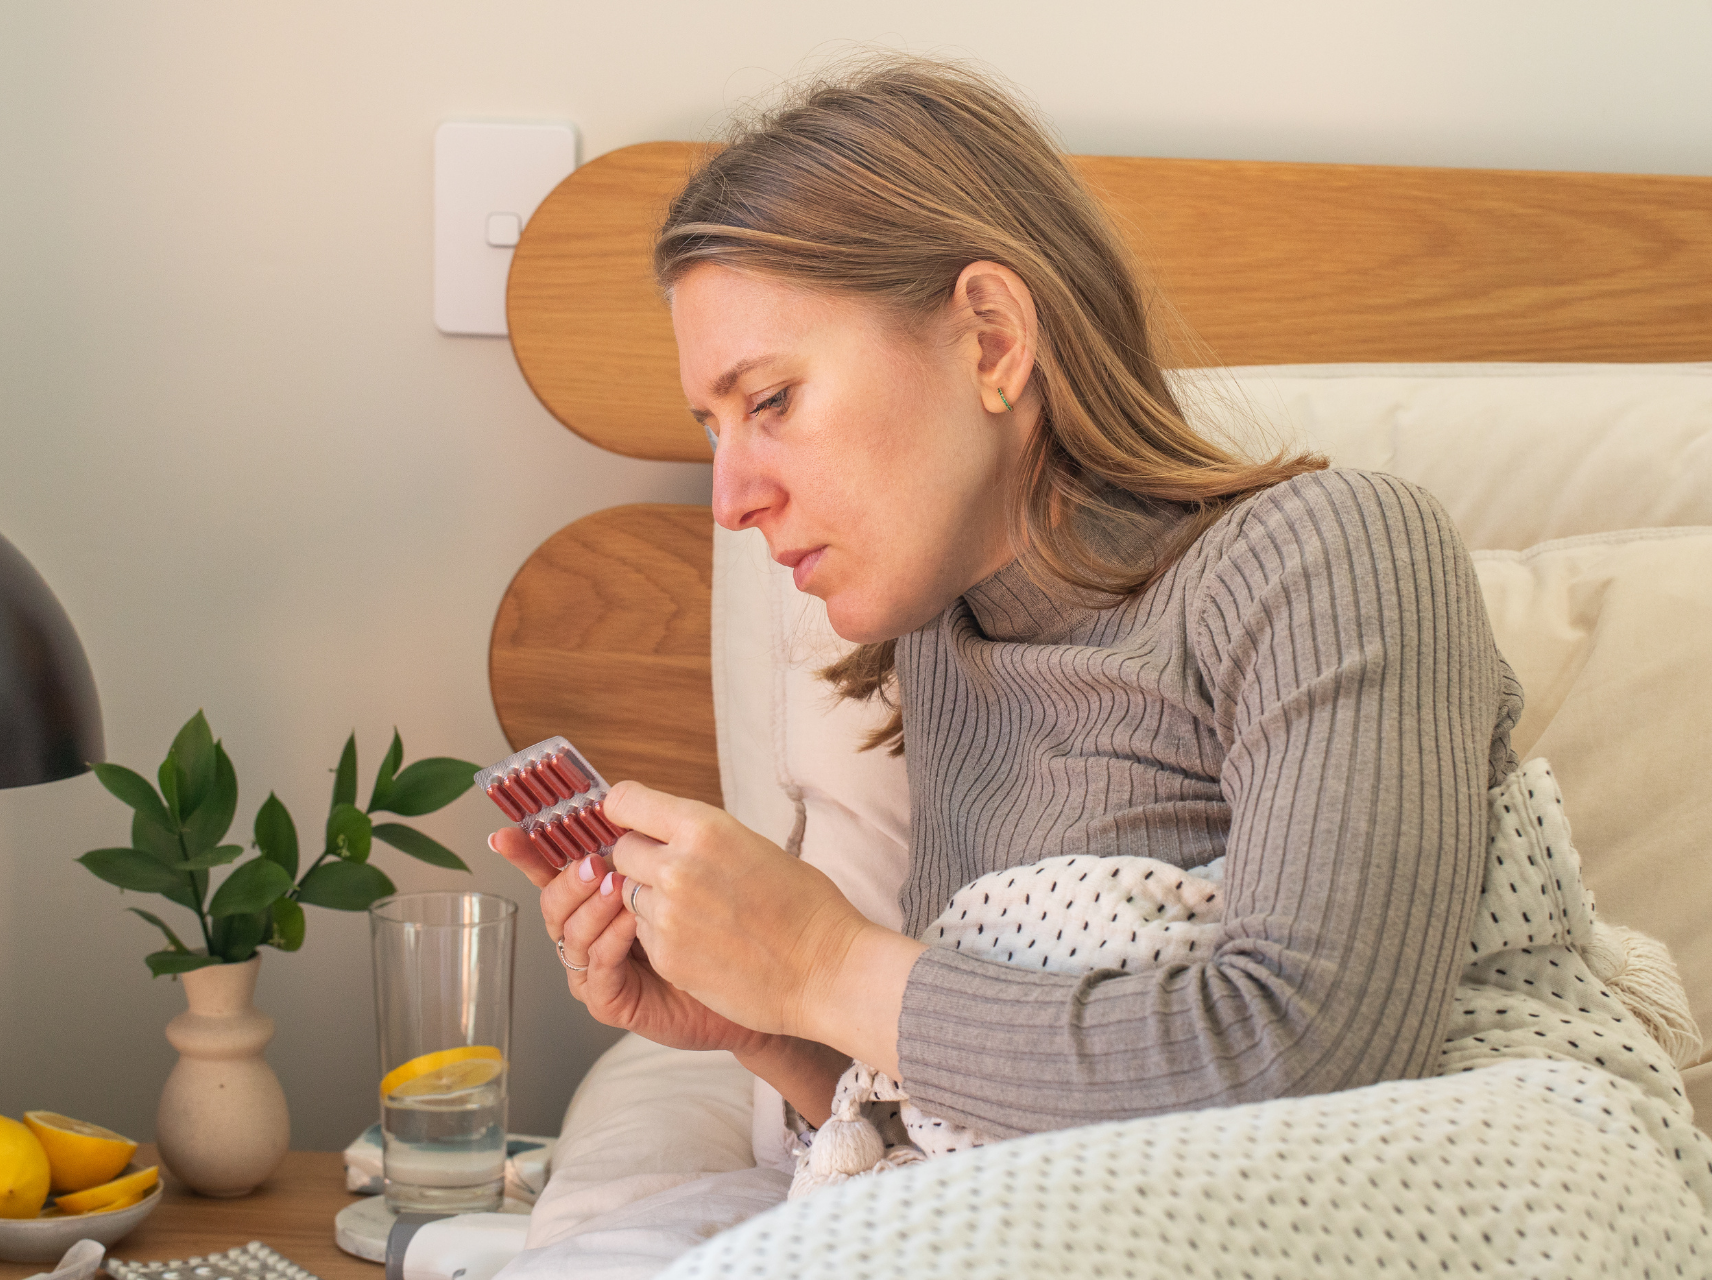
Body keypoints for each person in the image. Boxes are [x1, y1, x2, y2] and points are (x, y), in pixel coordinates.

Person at [490, 55, 1524, 1140]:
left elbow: (1312, 1054)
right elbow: (971, 1138)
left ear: (991, 338)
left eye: (773, 400)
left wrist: (820, 961)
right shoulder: (947, 648)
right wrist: (764, 1019)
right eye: (716, 428)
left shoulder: (1334, 554)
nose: (732, 501)